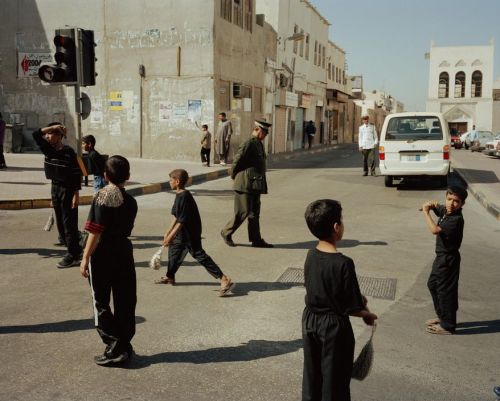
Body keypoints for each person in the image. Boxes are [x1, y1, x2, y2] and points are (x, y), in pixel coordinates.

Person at [302, 199, 378, 401]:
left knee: (313, 375)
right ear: (336, 227)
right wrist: (367, 315)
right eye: (341, 221)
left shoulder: (310, 255)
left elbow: (317, 288)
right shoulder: (344, 263)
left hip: (310, 321)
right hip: (334, 330)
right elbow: (352, 307)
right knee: (334, 382)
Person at [80, 155, 138, 366]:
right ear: (128, 176)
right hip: (124, 252)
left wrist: (85, 257)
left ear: (105, 175)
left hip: (102, 254)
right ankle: (124, 344)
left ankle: (115, 346)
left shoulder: (101, 197)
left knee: (101, 302)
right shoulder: (131, 201)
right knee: (126, 300)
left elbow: (95, 232)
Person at [154, 169, 235, 296]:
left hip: (191, 232)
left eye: (171, 180)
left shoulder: (185, 196)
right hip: (182, 230)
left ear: (177, 181)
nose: (169, 182)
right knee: (174, 250)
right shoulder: (179, 193)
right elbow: (176, 215)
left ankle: (224, 279)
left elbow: (181, 221)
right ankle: (170, 276)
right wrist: (168, 232)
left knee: (198, 254)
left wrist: (170, 236)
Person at [33, 123, 82, 268]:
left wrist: (76, 194)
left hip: (68, 189)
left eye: (52, 133)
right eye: (47, 133)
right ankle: (75, 251)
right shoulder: (48, 150)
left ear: (60, 136)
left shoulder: (68, 152)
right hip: (55, 188)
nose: (48, 136)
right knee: (61, 225)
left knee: (69, 224)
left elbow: (76, 174)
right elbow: (36, 135)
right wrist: (53, 126)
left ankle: (73, 255)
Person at [422, 186, 467, 335]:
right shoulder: (448, 212)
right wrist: (433, 205)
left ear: (462, 204)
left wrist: (426, 212)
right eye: (449, 199)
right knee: (433, 284)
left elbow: (435, 230)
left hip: (448, 259)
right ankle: (442, 315)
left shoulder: (455, 219)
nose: (451, 204)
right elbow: (440, 208)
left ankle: (448, 325)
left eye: (456, 201)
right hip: (441, 257)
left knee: (445, 291)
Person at [221, 120, 273, 248]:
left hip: (255, 184)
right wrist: (233, 175)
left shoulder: (259, 144)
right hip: (244, 184)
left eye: (266, 133)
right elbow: (237, 160)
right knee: (243, 212)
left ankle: (256, 240)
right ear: (257, 130)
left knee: (254, 214)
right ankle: (226, 232)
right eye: (264, 132)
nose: (265, 135)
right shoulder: (249, 143)